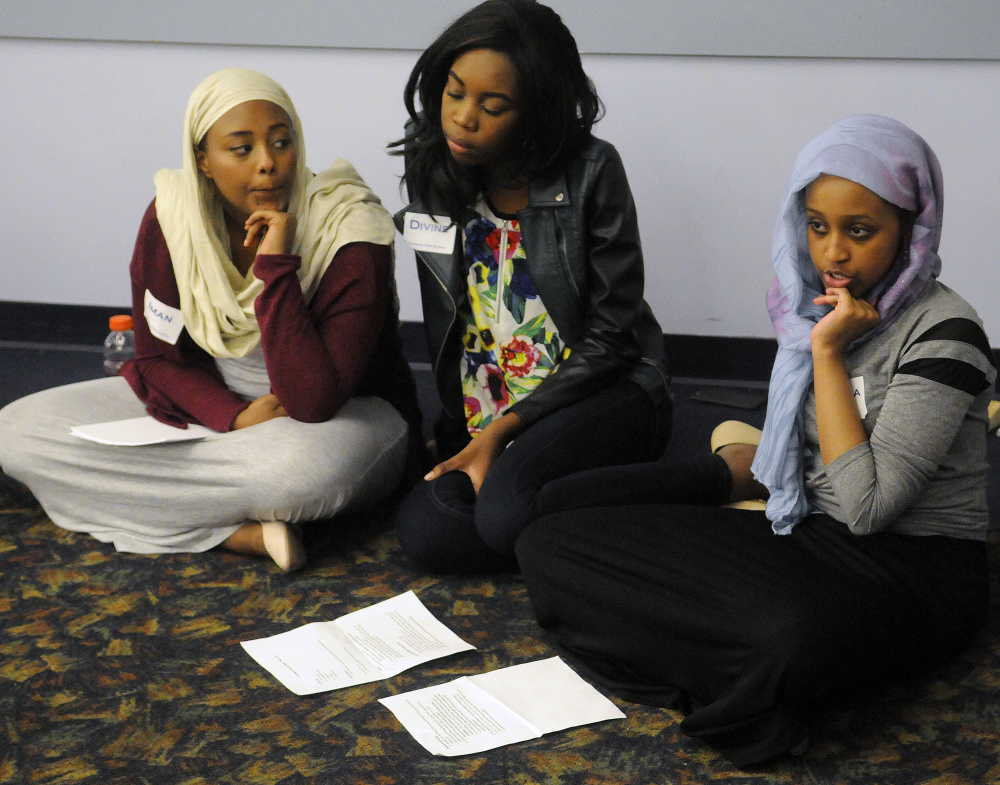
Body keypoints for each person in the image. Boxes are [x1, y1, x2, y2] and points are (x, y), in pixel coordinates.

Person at [516, 115, 995, 765]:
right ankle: (739, 675)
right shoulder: (807, 306)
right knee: (548, 532)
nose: (833, 253)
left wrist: (828, 355)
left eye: (861, 230)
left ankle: (740, 670)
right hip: (803, 533)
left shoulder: (945, 331)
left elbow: (867, 507)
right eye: (818, 225)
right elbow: (789, 464)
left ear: (911, 228)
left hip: (915, 567)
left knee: (791, 636)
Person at [0, 68, 424, 572]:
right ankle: (233, 532)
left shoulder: (350, 227)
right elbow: (158, 357)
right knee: (16, 432)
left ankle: (140, 505)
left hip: (338, 417)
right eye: (241, 149)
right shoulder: (174, 218)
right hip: (216, 409)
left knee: (295, 477)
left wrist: (275, 265)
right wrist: (233, 416)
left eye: (282, 143)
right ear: (203, 159)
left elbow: (315, 399)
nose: (268, 164)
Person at [388, 0, 672, 574]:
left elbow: (613, 339)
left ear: (537, 112)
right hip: (491, 409)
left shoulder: (592, 171)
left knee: (502, 518)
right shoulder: (435, 166)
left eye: (493, 106)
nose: (464, 118)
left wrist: (503, 434)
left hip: (602, 394)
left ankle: (715, 474)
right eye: (454, 92)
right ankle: (574, 519)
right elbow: (456, 327)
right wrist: (460, 436)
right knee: (426, 534)